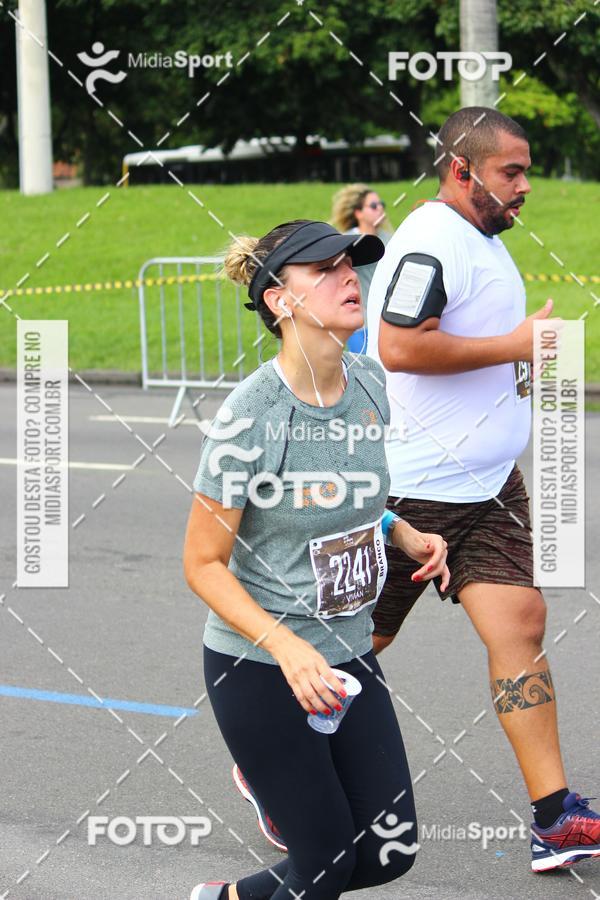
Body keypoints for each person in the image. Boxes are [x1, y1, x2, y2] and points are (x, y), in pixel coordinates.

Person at [183, 219, 450, 899]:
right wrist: (289, 650)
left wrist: (403, 531)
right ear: (281, 300)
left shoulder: (367, 384)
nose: (347, 278)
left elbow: (345, 492)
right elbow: (203, 562)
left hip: (349, 653)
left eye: (349, 265)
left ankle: (228, 896)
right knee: (326, 863)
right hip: (264, 665)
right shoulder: (251, 417)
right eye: (324, 270)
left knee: (389, 851)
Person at [365, 106, 600, 873]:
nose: (525, 186)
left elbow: (466, 339)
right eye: (512, 172)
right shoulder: (430, 240)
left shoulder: (483, 240)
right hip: (414, 491)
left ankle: (554, 815)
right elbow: (400, 346)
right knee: (357, 643)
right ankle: (272, 760)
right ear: (462, 170)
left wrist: (516, 359)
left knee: (521, 622)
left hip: (489, 484)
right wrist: (517, 344)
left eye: (526, 170)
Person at [331, 184, 392, 353]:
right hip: (361, 324)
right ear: (359, 213)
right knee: (365, 372)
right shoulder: (345, 242)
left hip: (389, 322)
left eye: (381, 204)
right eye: (373, 206)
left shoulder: (391, 240)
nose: (380, 209)